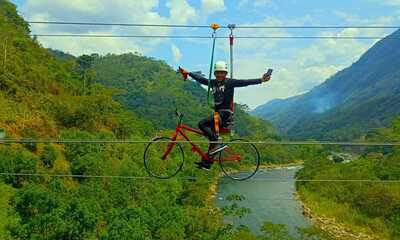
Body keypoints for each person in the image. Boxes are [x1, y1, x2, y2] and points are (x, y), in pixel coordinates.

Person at [179, 61, 271, 170]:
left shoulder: (229, 83)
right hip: (218, 115)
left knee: (202, 124)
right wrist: (189, 73)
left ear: (225, 73)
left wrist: (260, 80)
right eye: (217, 73)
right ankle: (207, 163)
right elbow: (201, 79)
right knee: (211, 137)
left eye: (222, 73)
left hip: (225, 115)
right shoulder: (213, 83)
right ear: (215, 73)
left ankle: (215, 141)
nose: (219, 75)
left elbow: (244, 82)